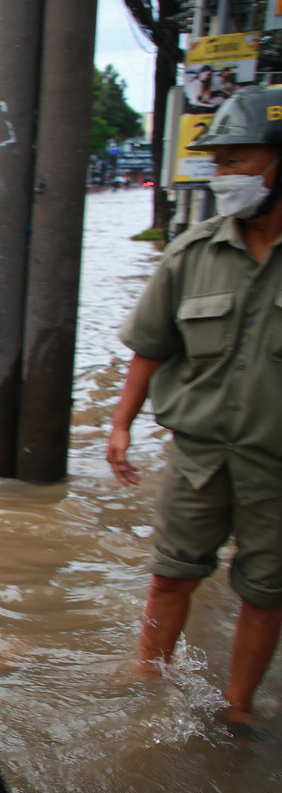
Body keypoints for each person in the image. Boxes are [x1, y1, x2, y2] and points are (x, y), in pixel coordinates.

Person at [106, 85, 282, 734]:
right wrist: (120, 424)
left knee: (265, 593)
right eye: (218, 161)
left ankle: (238, 705)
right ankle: (147, 671)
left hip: (275, 466)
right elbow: (150, 348)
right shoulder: (191, 253)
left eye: (238, 160)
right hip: (199, 456)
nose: (223, 174)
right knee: (171, 574)